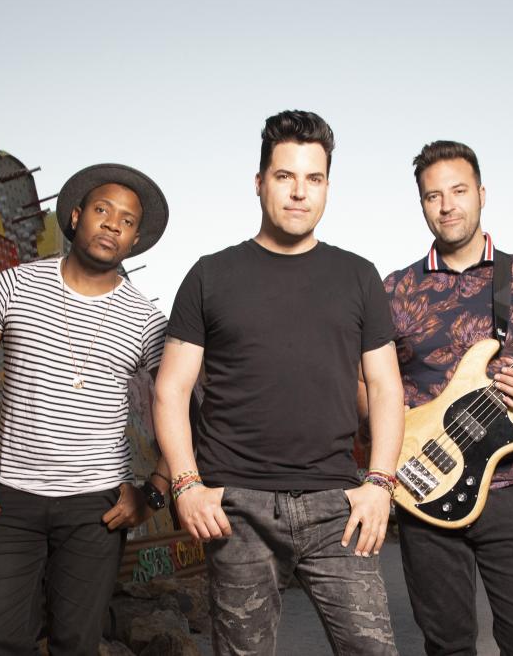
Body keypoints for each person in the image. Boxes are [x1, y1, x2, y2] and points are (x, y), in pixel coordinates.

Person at [154, 110, 404, 655]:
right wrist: (186, 484)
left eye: (313, 179)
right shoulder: (209, 275)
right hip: (236, 506)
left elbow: (385, 387)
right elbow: (171, 388)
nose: (299, 192)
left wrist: (380, 484)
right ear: (260, 181)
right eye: (285, 176)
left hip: (336, 504)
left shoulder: (358, 276)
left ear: (327, 188)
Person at [0, 163, 171, 656]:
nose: (113, 224)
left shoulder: (148, 320)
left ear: (135, 240)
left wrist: (154, 492)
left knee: (76, 642)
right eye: (102, 210)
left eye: (127, 220)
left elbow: (175, 407)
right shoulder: (14, 285)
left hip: (96, 506)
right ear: (75, 217)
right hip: (12, 500)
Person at [383, 141, 513, 655]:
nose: (447, 205)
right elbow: (370, 383)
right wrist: (395, 440)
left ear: (481, 193)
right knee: (447, 641)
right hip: (424, 482)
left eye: (458, 190)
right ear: (422, 204)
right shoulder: (395, 290)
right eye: (433, 196)